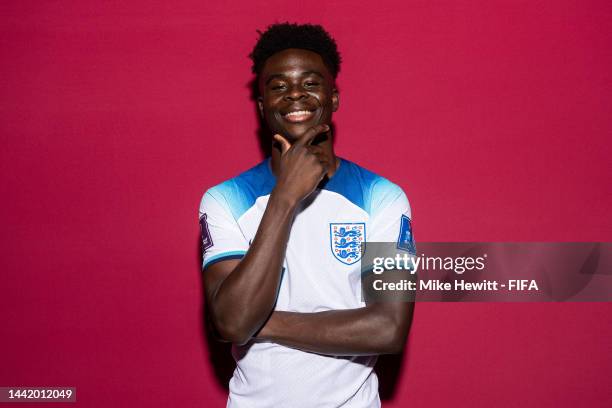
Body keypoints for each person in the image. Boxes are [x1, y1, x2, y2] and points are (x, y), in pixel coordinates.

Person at [199, 22, 415, 407]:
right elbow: (232, 321)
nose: (295, 94)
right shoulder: (224, 200)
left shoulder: (382, 196)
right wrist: (284, 198)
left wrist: (262, 324)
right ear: (263, 105)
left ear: (333, 98)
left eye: (310, 83)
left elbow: (388, 327)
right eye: (278, 86)